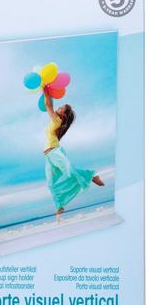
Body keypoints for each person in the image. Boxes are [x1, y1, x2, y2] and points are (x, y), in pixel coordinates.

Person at [43, 87, 104, 220]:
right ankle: (60, 205)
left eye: (61, 108)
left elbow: (48, 105)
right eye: (59, 107)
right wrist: (47, 91)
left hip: (54, 151)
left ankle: (91, 175)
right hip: (48, 155)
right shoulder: (55, 121)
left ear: (63, 115)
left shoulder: (57, 120)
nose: (58, 108)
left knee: (69, 171)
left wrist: (45, 90)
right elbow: (49, 104)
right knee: (51, 183)